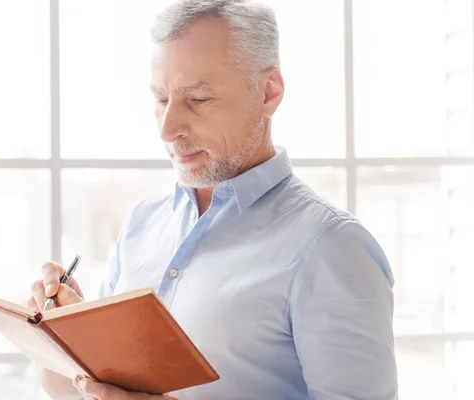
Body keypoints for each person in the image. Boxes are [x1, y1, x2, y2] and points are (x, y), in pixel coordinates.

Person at [27, 1, 398, 399]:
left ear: (269, 92)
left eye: (197, 100)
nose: (168, 129)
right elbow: (80, 389)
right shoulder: (142, 224)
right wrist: (61, 334)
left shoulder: (332, 247)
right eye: (161, 99)